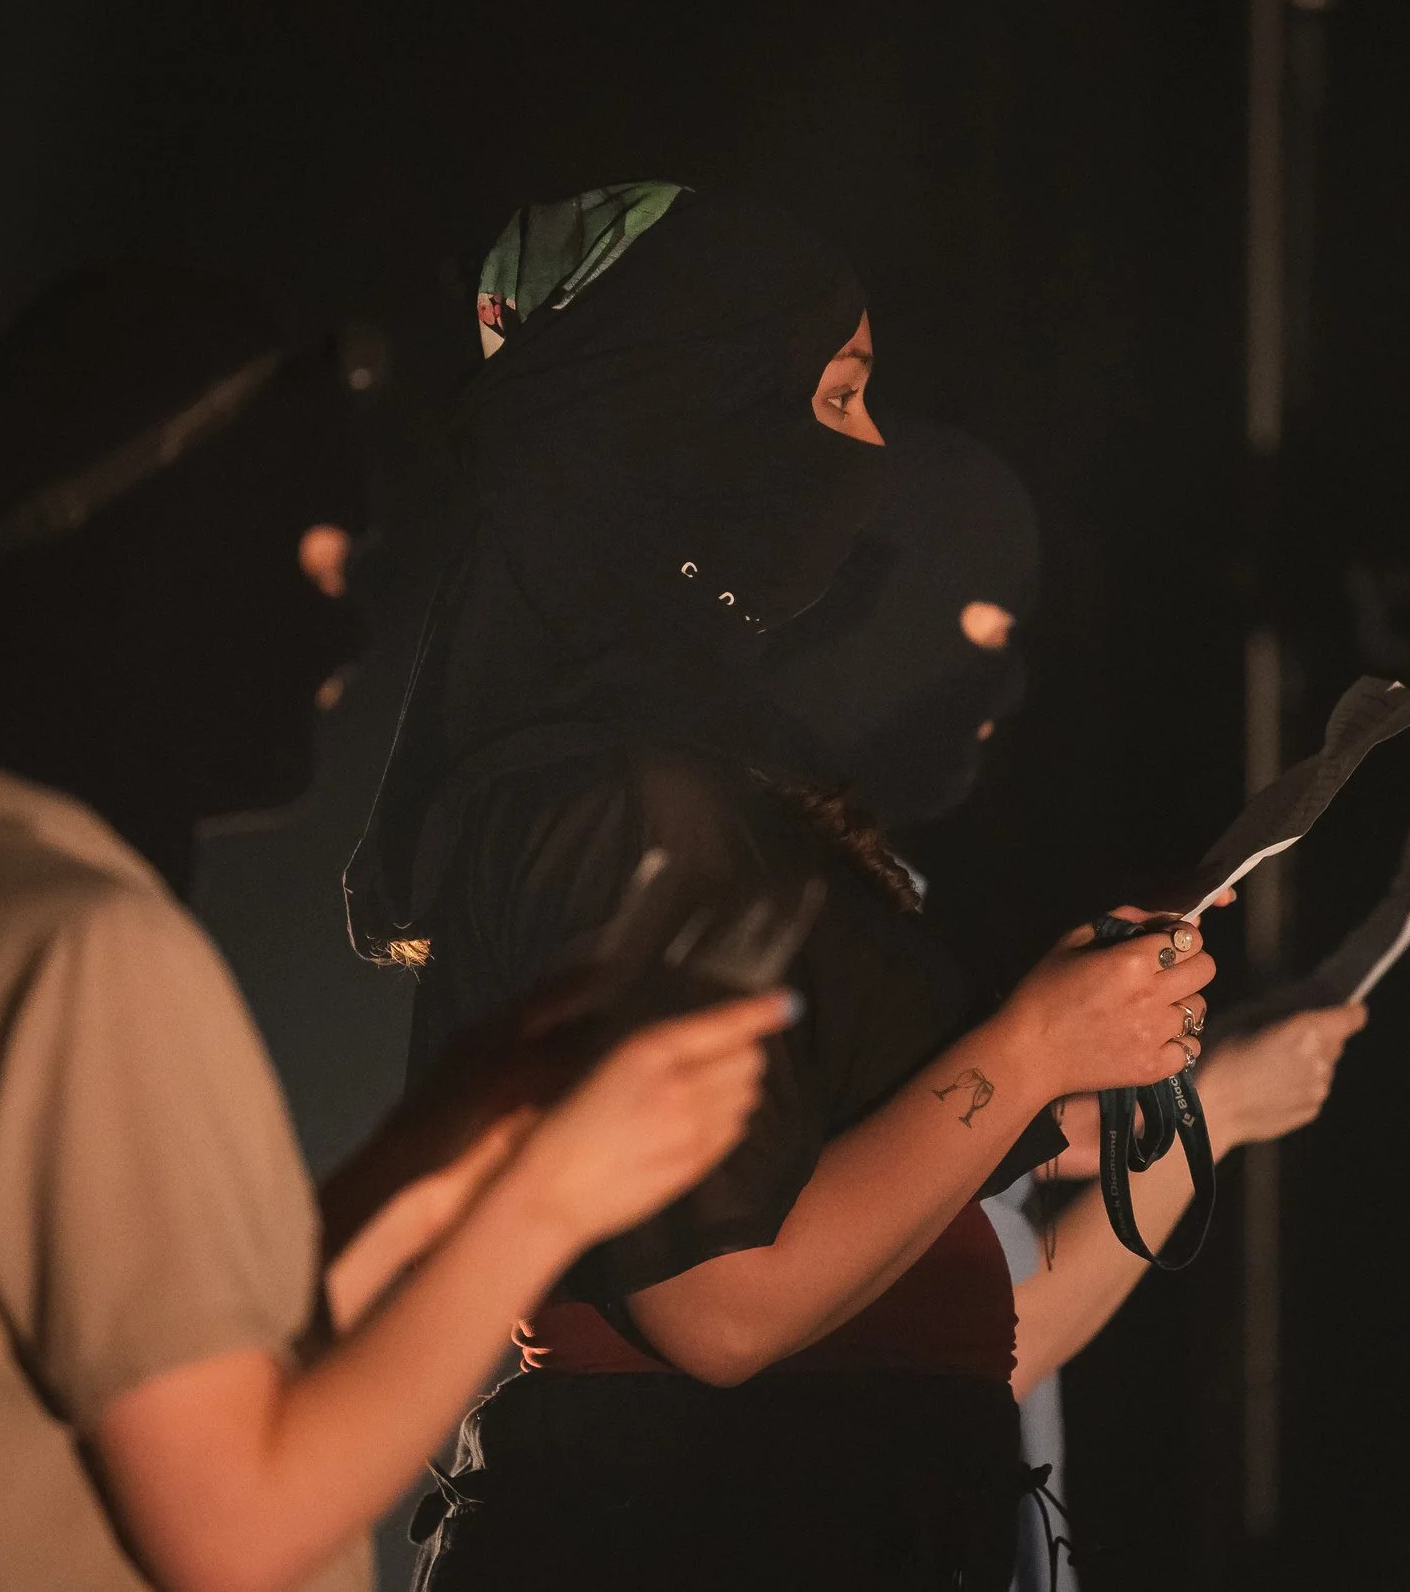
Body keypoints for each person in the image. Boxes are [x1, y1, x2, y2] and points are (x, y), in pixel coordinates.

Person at [0, 262, 786, 1592]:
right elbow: (232, 1523)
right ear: (151, 560)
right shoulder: (82, 953)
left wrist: (438, 1148)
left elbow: (157, 1369)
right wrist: (555, 1190)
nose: (345, 631)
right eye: (315, 558)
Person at [345, 185, 1215, 1590]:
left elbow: (813, 1153)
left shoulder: (709, 774)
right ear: (693, 410)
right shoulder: (618, 797)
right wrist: (1034, 1041)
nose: (871, 457)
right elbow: (720, 1304)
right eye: (840, 395)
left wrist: (1067, 1054)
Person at [762, 417, 1371, 1587]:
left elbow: (958, 1178)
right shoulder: (786, 928)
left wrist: (1137, 1072)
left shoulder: (877, 911)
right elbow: (973, 1337)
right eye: (982, 632)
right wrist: (1218, 1116)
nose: (1009, 682)